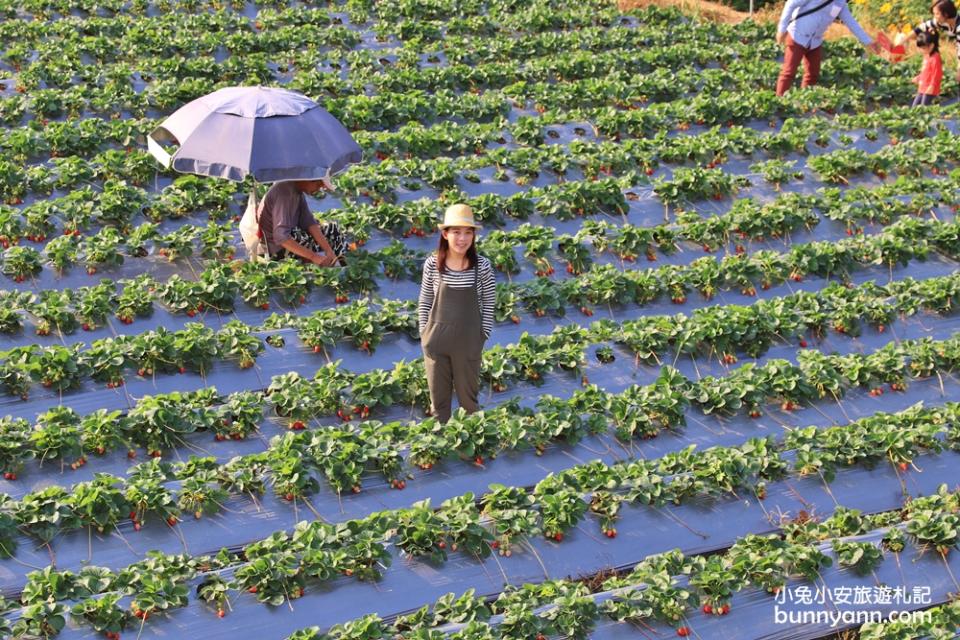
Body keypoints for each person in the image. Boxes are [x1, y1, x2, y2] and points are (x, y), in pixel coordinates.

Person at [418, 204, 495, 424]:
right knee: (439, 401)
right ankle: (440, 442)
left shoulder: (482, 266)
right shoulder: (433, 264)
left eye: (468, 232)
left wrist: (484, 333)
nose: (462, 239)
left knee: (468, 400)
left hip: (468, 341)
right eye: (456, 232)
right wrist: (424, 333)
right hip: (436, 341)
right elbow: (425, 299)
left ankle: (470, 440)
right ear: (445, 234)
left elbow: (489, 301)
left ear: (474, 235)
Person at [775, 0, 881, 96]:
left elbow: (851, 22)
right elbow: (790, 4)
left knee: (812, 74)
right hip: (797, 36)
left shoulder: (840, 3)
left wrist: (869, 42)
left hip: (815, 42)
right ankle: (779, 101)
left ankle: (805, 101)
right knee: (788, 72)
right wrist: (782, 29)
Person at [257, 178, 346, 265]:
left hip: (289, 237)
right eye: (318, 185)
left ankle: (338, 263)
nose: (318, 189)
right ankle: (331, 266)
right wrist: (313, 257)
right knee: (297, 233)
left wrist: (328, 250)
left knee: (333, 230)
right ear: (307, 180)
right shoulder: (285, 193)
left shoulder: (297, 191)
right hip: (277, 249)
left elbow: (309, 222)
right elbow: (281, 237)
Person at [912, 0, 959, 86]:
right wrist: (902, 41)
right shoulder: (942, 22)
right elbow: (921, 28)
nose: (935, 17)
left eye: (937, 14)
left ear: (946, 14)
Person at [912, 30, 943, 106]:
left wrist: (932, 86)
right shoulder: (926, 55)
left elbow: (937, 74)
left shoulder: (935, 58)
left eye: (924, 48)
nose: (922, 50)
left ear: (932, 45)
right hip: (922, 87)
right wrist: (918, 77)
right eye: (921, 48)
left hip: (929, 88)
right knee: (915, 107)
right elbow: (925, 71)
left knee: (923, 108)